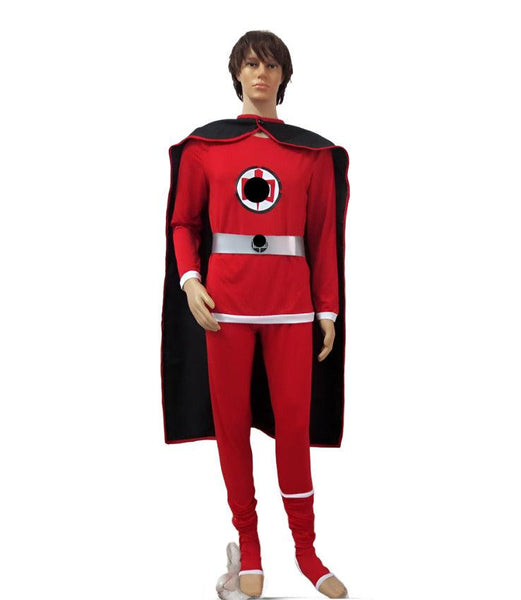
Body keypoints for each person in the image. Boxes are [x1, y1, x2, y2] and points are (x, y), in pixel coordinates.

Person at [163, 30, 350, 599]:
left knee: (293, 427)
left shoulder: (312, 154)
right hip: (225, 308)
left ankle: (306, 549)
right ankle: (249, 544)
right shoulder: (204, 148)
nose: (261, 74)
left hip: (292, 308)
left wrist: (327, 309)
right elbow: (183, 223)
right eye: (250, 64)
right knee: (231, 426)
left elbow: (323, 236)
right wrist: (190, 280)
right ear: (237, 75)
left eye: (271, 65)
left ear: (284, 76)